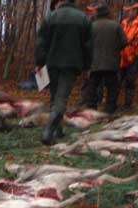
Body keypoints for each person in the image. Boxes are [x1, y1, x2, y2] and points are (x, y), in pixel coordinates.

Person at [35, 0, 92, 145]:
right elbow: (88, 46)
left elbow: (41, 42)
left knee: (55, 97)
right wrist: (87, 66)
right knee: (61, 98)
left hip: (52, 63)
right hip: (71, 64)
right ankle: (49, 131)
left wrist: (39, 63)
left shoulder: (50, 17)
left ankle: (56, 130)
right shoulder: (83, 18)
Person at [86, 4, 127, 114]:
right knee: (112, 89)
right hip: (111, 63)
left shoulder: (91, 26)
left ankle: (91, 110)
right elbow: (124, 42)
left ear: (98, 14)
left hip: (95, 63)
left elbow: (86, 44)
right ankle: (109, 111)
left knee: (92, 87)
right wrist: (115, 49)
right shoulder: (116, 26)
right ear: (108, 14)